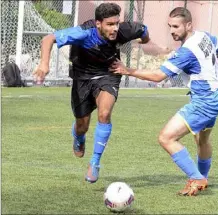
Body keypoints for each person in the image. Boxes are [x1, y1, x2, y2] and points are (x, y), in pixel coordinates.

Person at [110, 7, 218, 196]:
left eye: (176, 26)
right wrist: (206, 66)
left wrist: (127, 70)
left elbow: (158, 76)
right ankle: (202, 178)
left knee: (166, 138)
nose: (172, 30)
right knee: (202, 139)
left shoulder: (187, 52)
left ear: (188, 25)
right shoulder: (204, 36)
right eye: (170, 26)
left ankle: (197, 178)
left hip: (205, 101)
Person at [33, 3, 150, 183]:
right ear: (98, 24)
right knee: (83, 125)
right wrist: (44, 64)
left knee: (104, 113)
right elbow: (48, 39)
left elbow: (143, 31)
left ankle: (95, 162)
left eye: (117, 23)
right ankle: (79, 136)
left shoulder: (125, 30)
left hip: (108, 74)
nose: (115, 28)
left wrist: (145, 40)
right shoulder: (83, 32)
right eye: (110, 24)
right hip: (82, 77)